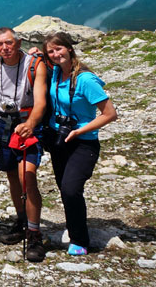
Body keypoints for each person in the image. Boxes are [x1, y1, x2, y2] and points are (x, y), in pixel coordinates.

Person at [43, 32, 117, 256]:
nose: (56, 54)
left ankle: (80, 239)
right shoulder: (56, 72)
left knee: (71, 188)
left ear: (70, 48)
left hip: (83, 143)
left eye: (59, 49)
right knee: (65, 190)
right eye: (51, 51)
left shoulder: (85, 79)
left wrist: (80, 130)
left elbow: (110, 114)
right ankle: (75, 227)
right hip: (59, 140)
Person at [0, 27, 48, 262]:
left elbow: (40, 101)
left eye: (9, 43)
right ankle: (22, 220)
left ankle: (34, 232)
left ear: (18, 42)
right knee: (11, 174)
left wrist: (31, 123)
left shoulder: (34, 64)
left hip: (26, 125)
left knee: (27, 177)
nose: (4, 48)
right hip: (2, 125)